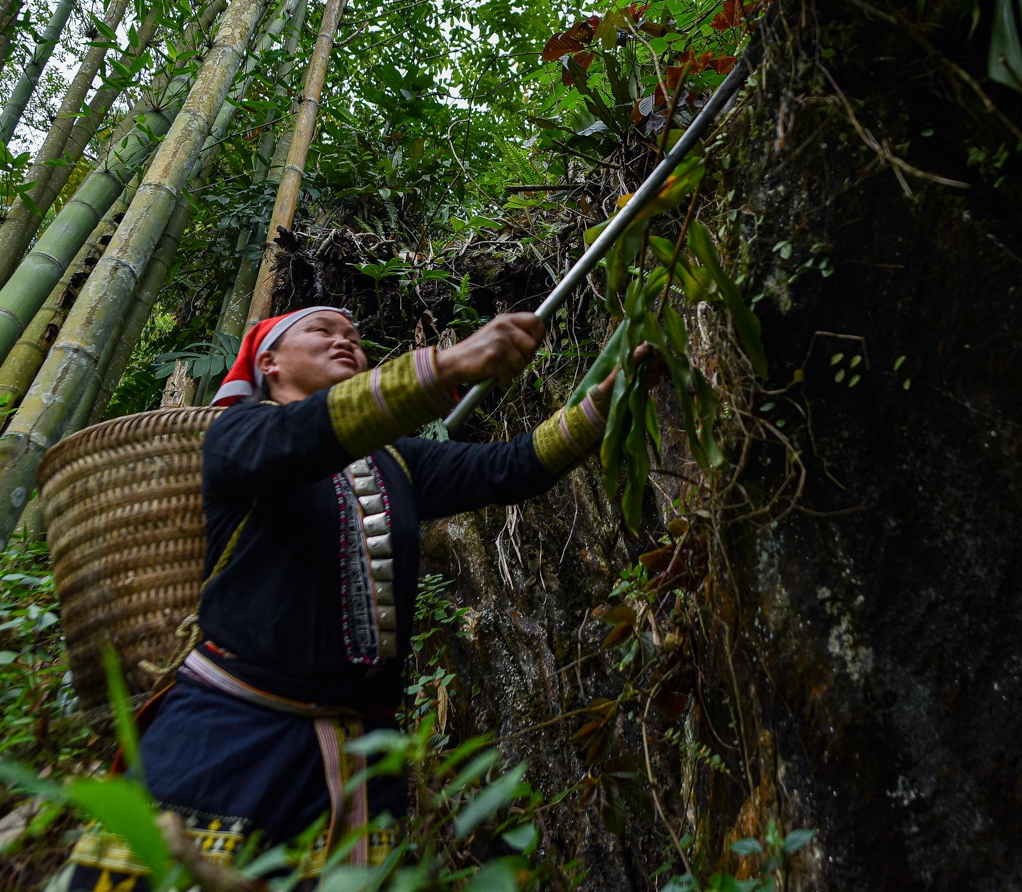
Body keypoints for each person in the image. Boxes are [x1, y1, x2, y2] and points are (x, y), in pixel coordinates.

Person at [64, 305, 624, 888]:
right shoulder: (238, 435)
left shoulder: (398, 459)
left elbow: (515, 466)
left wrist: (609, 396)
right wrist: (450, 362)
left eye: (355, 336)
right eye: (323, 331)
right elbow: (310, 435)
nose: (346, 342)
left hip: (359, 752)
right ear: (269, 362)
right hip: (228, 732)